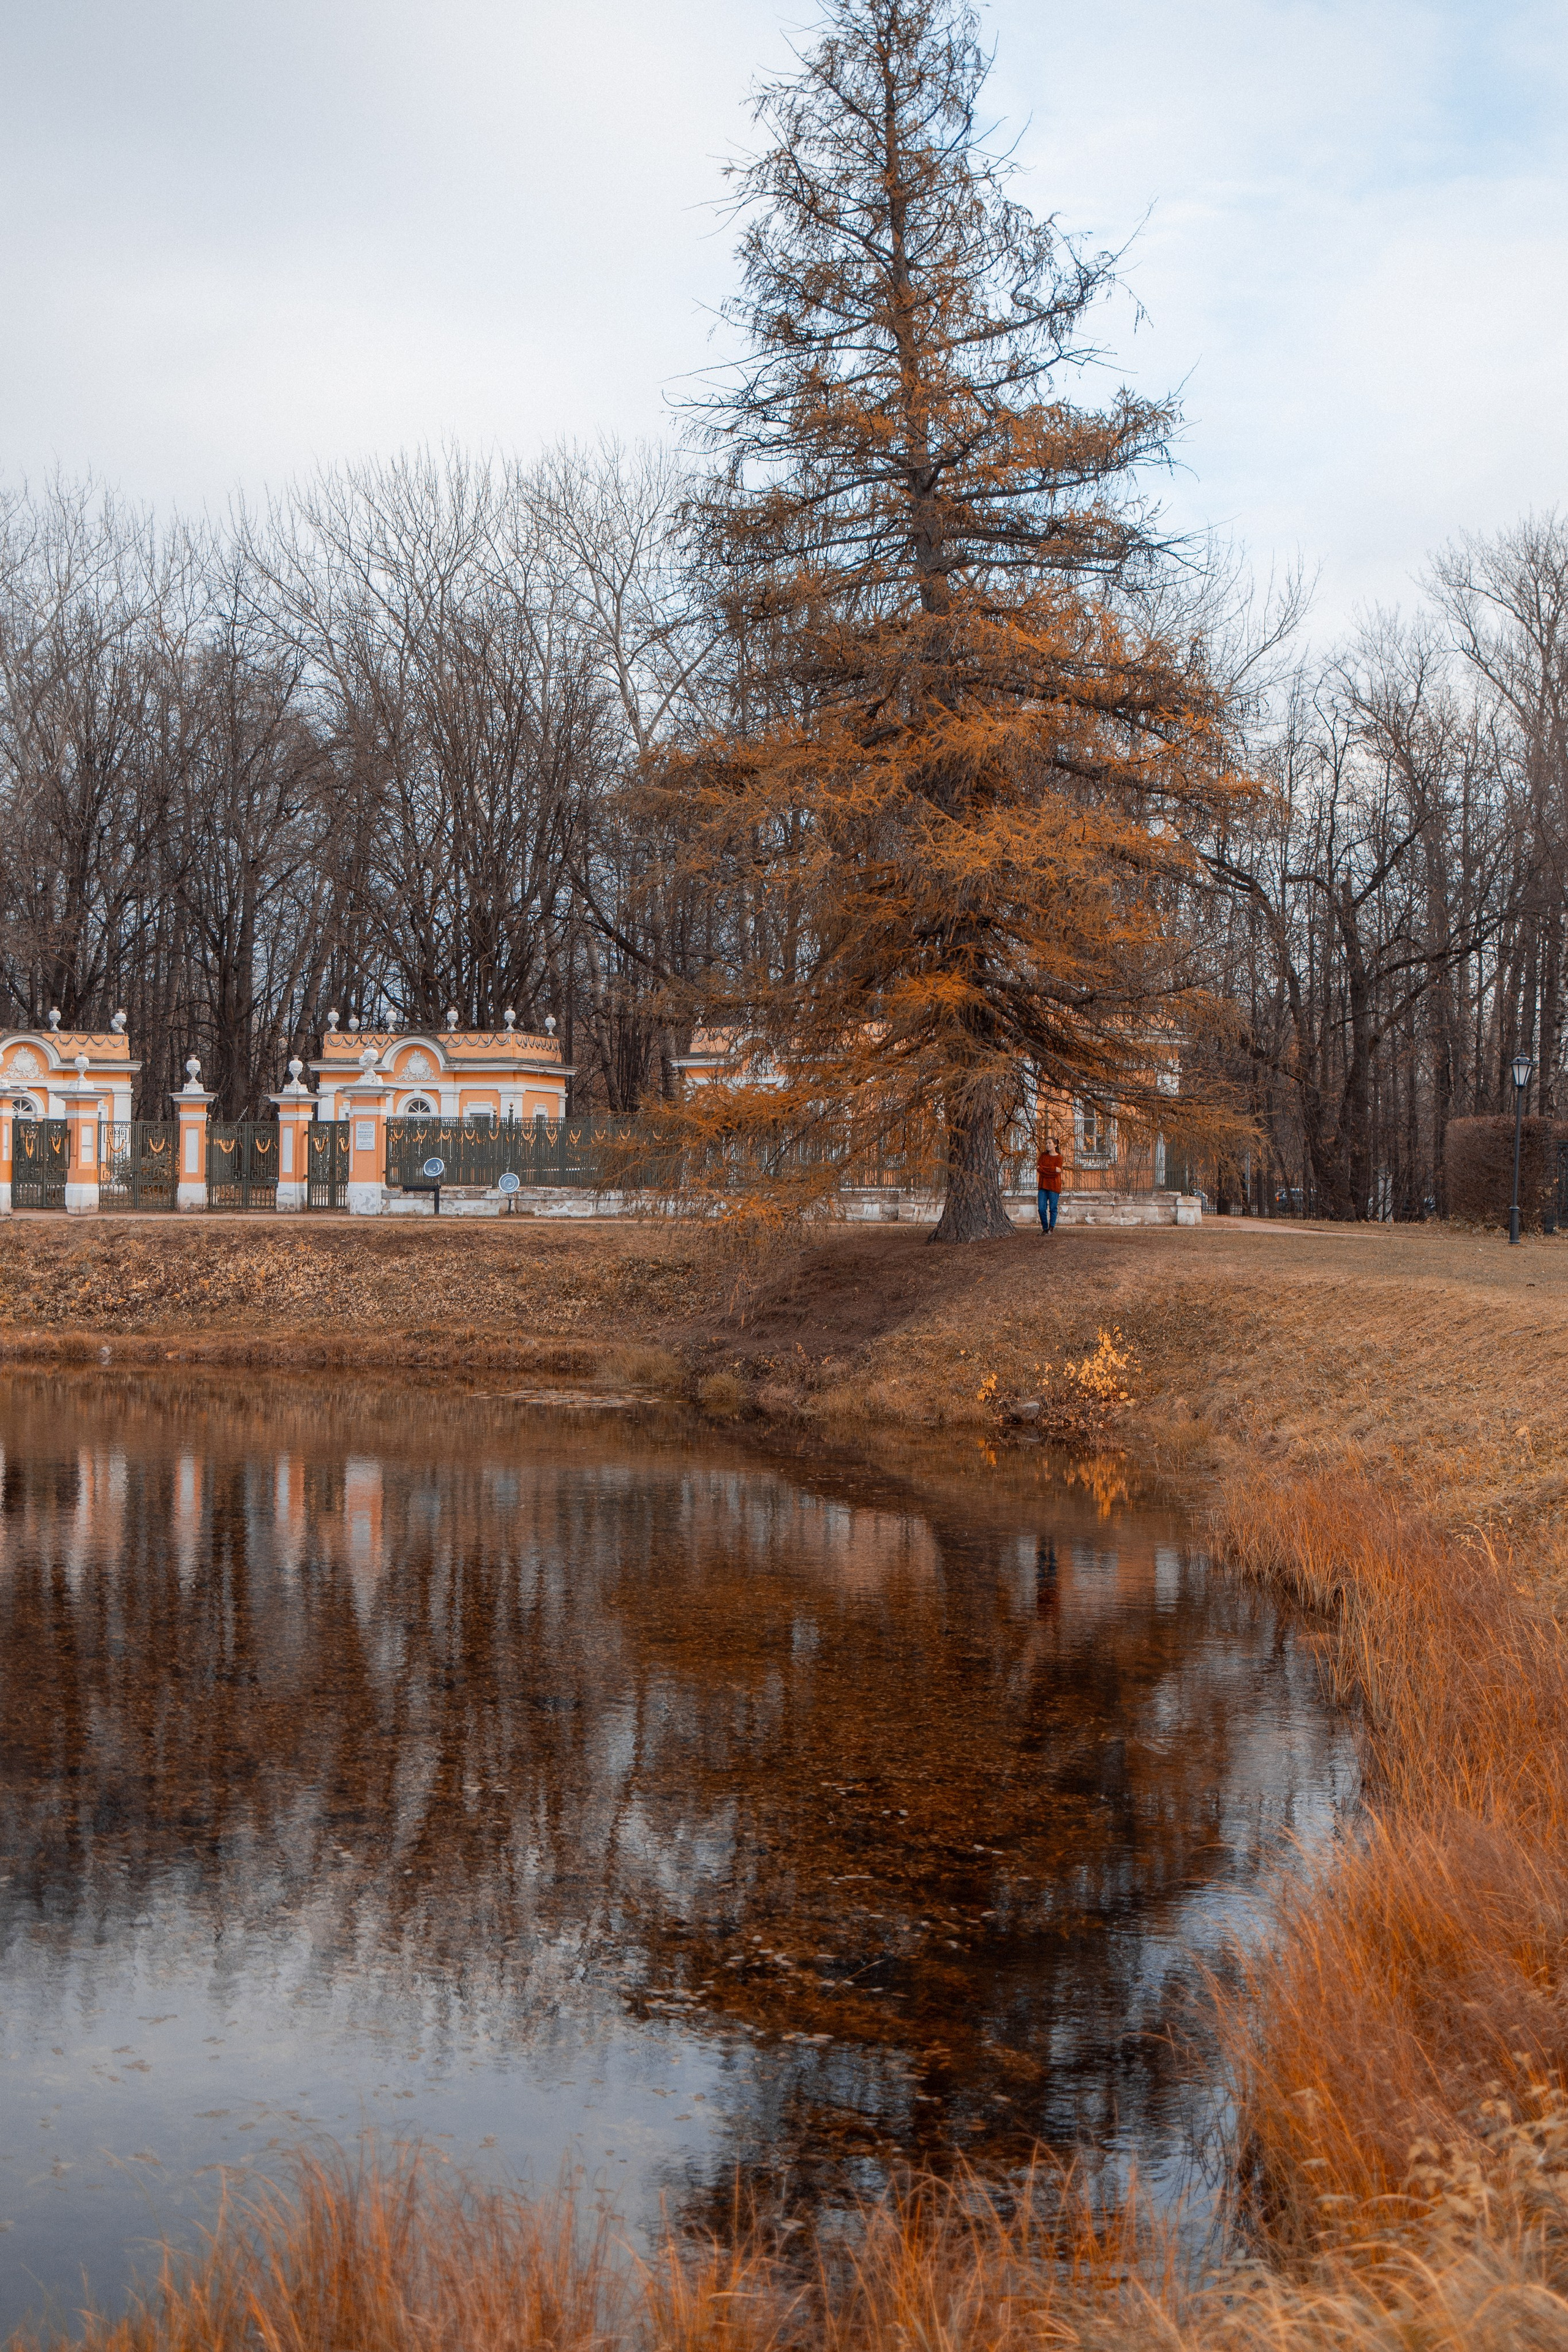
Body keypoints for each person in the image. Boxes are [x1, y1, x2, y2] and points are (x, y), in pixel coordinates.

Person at [1036, 1136, 1063, 1233]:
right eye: (1046, 1143)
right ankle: (1045, 1228)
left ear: (1055, 1145)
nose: (1047, 1145)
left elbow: (1058, 1172)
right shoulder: (1043, 1156)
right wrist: (1052, 1169)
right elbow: (1039, 1169)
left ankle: (1051, 1228)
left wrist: (1045, 1169)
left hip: (1054, 1186)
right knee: (1042, 1208)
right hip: (1043, 1185)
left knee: (1053, 1208)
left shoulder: (1059, 1157)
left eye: (1049, 1143)